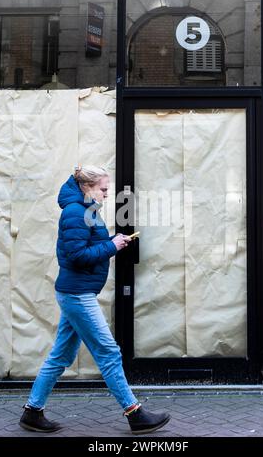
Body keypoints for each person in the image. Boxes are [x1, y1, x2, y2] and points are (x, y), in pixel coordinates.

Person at [19, 165, 170, 435]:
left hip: (76, 293)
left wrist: (115, 240)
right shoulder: (76, 213)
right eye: (103, 189)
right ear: (86, 187)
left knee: (61, 356)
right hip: (77, 294)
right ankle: (135, 414)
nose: (106, 194)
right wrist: (112, 247)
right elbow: (77, 256)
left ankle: (32, 412)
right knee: (109, 352)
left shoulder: (85, 210)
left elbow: (87, 247)